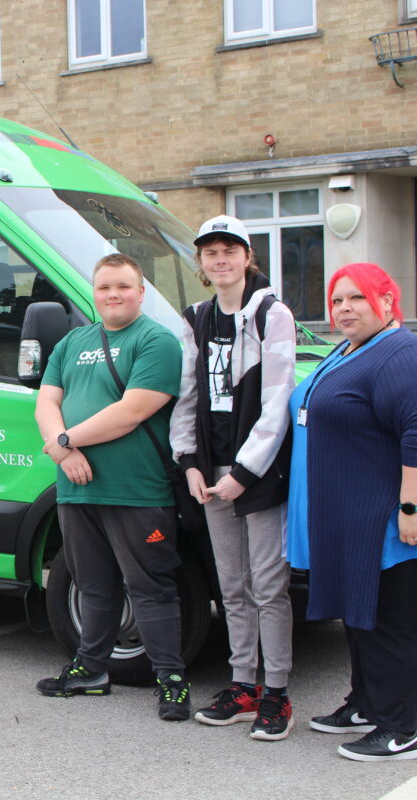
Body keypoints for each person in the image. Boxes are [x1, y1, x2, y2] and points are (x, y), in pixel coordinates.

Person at [34, 253, 191, 721]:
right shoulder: (71, 342)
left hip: (137, 490)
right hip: (77, 488)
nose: (113, 295)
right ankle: (91, 671)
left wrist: (65, 439)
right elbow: (47, 401)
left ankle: (172, 681)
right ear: (94, 292)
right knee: (92, 585)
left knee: (151, 588)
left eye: (123, 286)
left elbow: (133, 411)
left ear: (141, 292)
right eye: (104, 287)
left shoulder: (157, 342)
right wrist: (62, 451)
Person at [169, 216, 296, 739]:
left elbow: (278, 400)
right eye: (210, 252)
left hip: (257, 473)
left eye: (230, 250)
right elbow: (186, 398)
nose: (220, 260)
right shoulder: (196, 317)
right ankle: (243, 684)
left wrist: (245, 472)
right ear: (200, 263)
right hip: (212, 472)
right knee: (232, 585)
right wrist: (190, 463)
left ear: (248, 257)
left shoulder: (272, 313)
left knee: (269, 586)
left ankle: (278, 696)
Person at [287, 263, 417, 762]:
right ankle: (366, 703)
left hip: (384, 519)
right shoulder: (350, 349)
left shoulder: (398, 354)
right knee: (361, 618)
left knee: (389, 623)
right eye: (337, 300)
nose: (343, 309)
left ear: (387, 301)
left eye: (356, 298)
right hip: (349, 519)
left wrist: (410, 507)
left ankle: (400, 726)